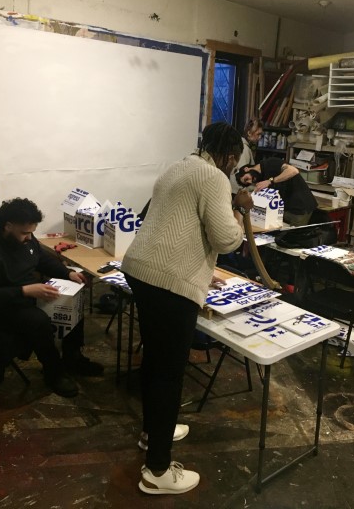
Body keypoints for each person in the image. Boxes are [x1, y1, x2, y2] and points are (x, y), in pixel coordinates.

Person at [121, 122, 253, 495]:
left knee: (154, 361)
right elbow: (225, 240)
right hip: (169, 283)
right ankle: (157, 471)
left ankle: (153, 433)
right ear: (229, 156)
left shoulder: (178, 167)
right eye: (234, 160)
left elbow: (180, 224)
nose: (233, 167)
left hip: (141, 270)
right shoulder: (214, 177)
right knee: (168, 374)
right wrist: (239, 210)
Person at [0, 198, 103, 398]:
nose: (29, 238)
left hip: (29, 294)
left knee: (72, 299)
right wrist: (25, 291)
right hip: (3, 305)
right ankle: (54, 372)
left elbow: (41, 259)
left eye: (31, 233)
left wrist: (67, 273)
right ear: (8, 226)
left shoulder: (26, 238)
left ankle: (73, 356)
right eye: (24, 233)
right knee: (38, 321)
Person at [236, 156, 317, 226]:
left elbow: (293, 170)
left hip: (300, 208)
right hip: (284, 210)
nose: (250, 181)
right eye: (247, 183)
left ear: (247, 169)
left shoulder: (270, 163)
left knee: (294, 236)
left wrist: (270, 181)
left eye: (246, 178)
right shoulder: (260, 178)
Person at [230, 118, 264, 194]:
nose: (259, 137)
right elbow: (242, 175)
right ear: (249, 133)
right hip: (238, 193)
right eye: (258, 134)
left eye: (261, 135)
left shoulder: (242, 146)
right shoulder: (244, 149)